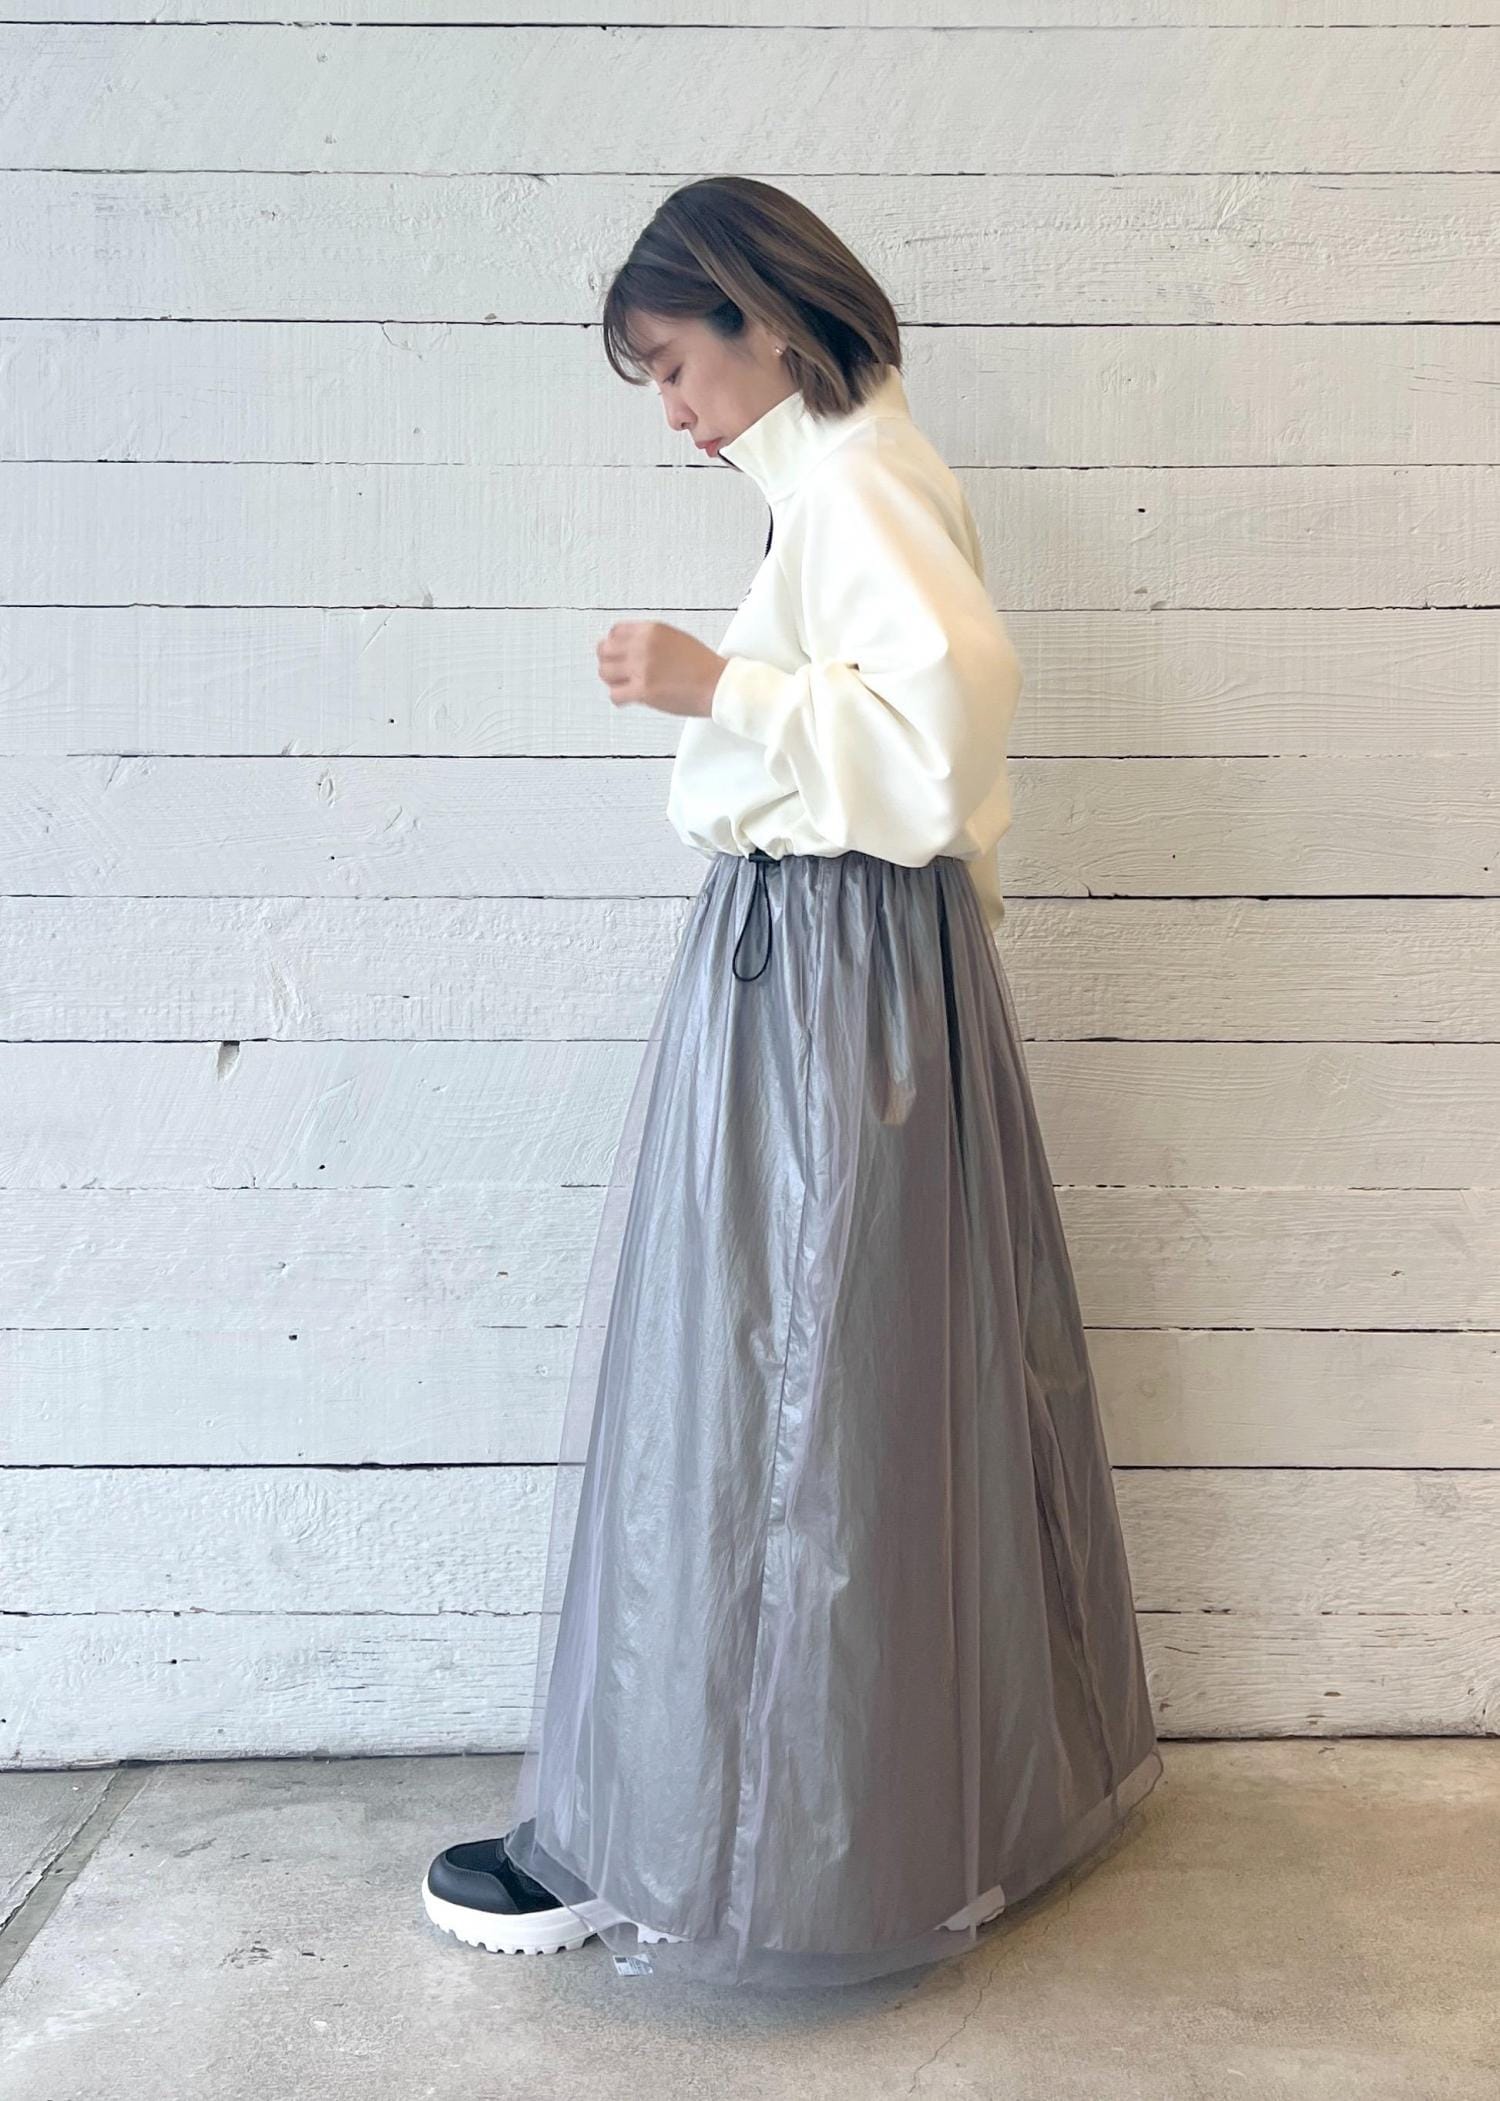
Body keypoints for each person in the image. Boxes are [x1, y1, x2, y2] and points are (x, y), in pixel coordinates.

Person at [422, 175, 1163, 1990]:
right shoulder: (834, 477)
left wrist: (719, 689)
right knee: (820, 1386)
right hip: (836, 968)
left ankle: (716, 1847)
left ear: (762, 317)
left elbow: (945, 731)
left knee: (784, 1388)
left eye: (676, 366)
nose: (674, 411)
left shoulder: (858, 477)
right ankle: (795, 1827)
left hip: (833, 971)